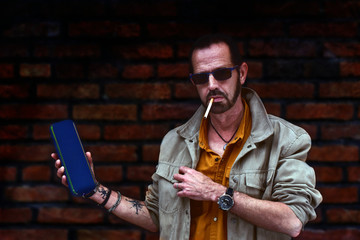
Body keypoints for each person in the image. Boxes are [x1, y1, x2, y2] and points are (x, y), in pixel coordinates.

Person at [52, 34, 322, 240]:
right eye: (202, 78)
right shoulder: (175, 141)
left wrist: (215, 192)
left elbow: (292, 221)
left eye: (222, 73)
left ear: (241, 73)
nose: (212, 85)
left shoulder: (287, 139)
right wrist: (94, 190)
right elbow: (158, 218)